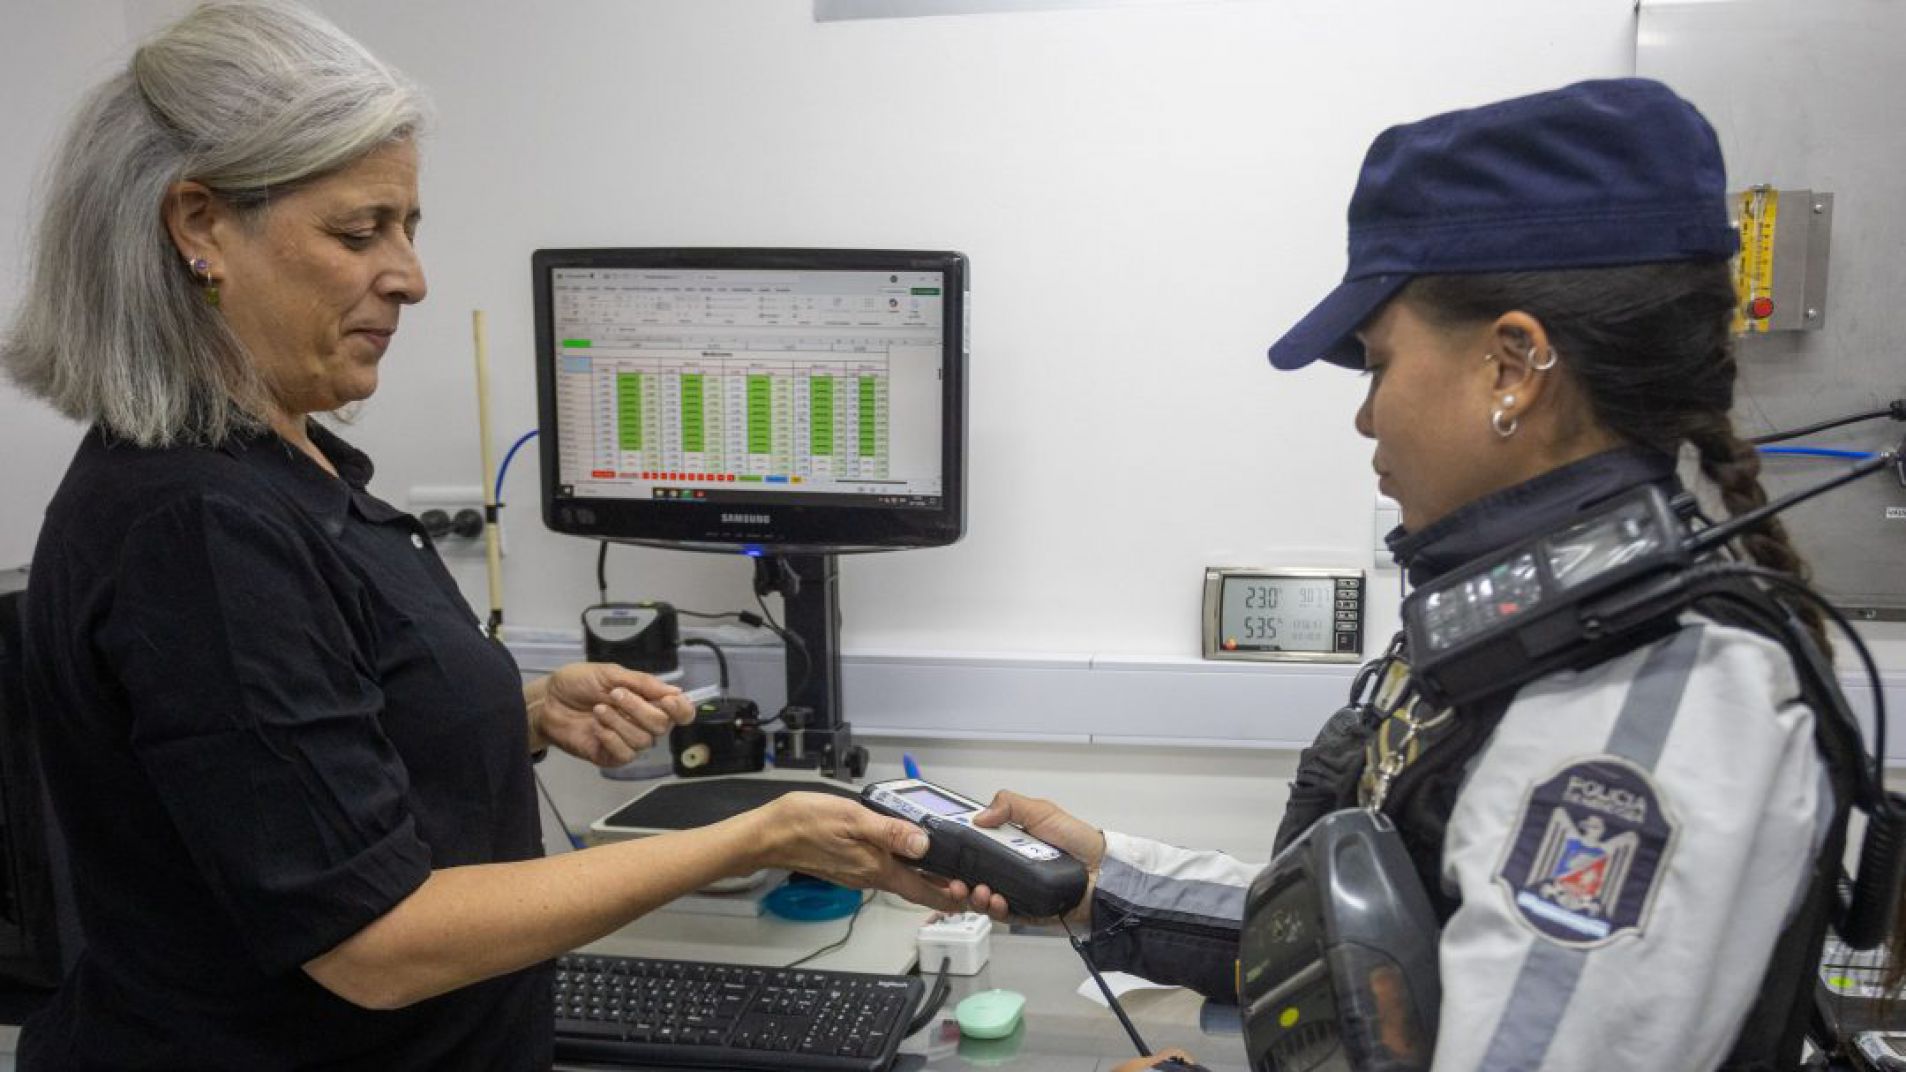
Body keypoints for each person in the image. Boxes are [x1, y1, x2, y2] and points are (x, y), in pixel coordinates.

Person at [0, 3, 955, 1068]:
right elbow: (375, 944)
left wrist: (520, 711)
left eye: (408, 228)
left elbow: (285, 758)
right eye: (359, 232)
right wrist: (754, 833)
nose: (410, 275)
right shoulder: (198, 526)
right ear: (198, 227)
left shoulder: (287, 469)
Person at [951, 79, 1850, 1071]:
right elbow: (1392, 954)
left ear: (1512, 366)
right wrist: (1098, 881)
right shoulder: (1532, 628)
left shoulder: (1644, 708)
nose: (1365, 417)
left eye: (1378, 364)